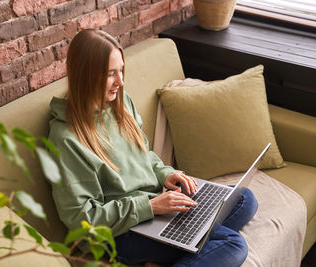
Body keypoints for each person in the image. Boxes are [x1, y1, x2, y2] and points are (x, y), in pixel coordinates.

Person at [48, 29, 258, 267]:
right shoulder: (66, 138)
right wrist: (149, 207)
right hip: (119, 234)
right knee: (233, 244)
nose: (121, 82)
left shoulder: (119, 102)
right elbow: (81, 218)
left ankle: (175, 252)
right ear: (85, 76)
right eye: (110, 74)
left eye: (121, 71)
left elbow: (143, 154)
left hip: (154, 204)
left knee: (244, 200)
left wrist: (166, 174)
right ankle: (183, 249)